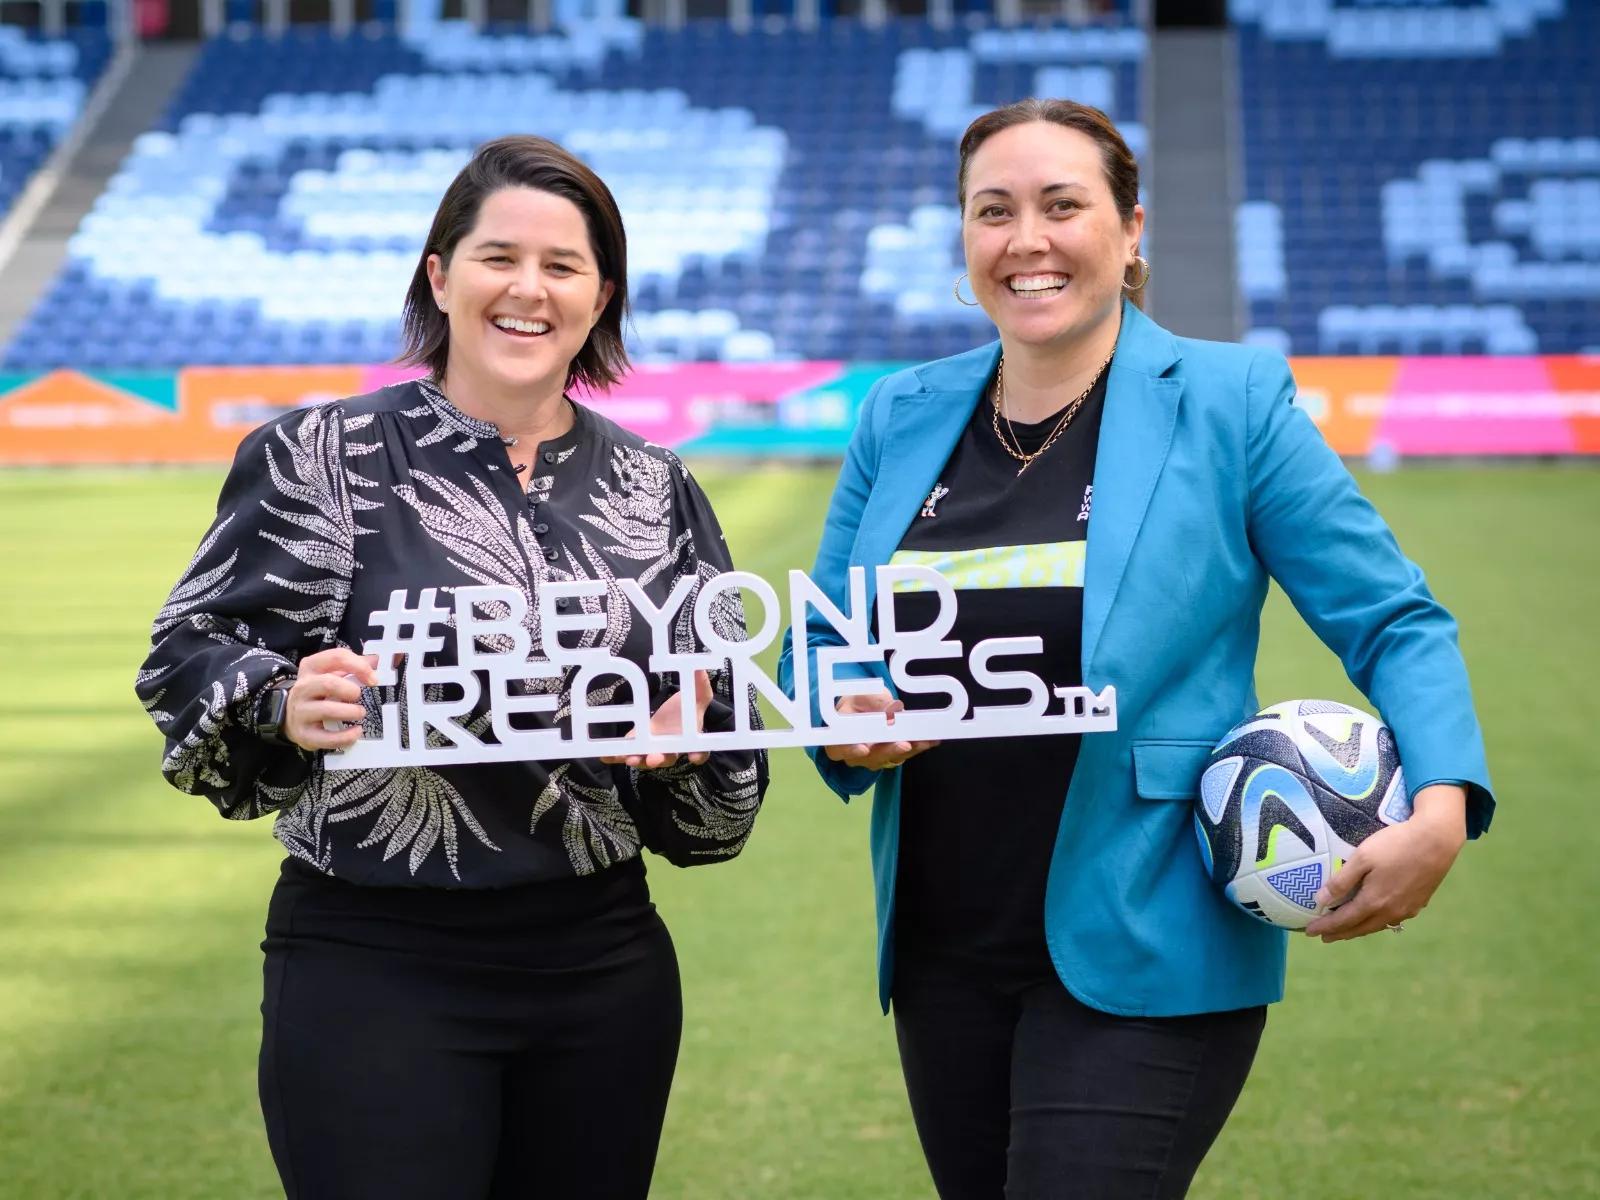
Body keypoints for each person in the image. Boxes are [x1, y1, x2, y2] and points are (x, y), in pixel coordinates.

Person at [778, 99, 1493, 1199]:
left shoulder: (1230, 402)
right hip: (940, 948)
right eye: (992, 211)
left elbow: (1391, 615)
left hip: (1148, 938)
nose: (1027, 240)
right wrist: (849, 710)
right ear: (963, 239)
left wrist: (1441, 804)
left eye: (1062, 206)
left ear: (1129, 228)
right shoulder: (898, 416)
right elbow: (822, 642)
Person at [136, 135, 768, 1200]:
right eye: (497, 258)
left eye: (563, 266)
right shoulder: (318, 458)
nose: (528, 289)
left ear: (600, 294)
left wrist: (680, 760)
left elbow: (721, 802)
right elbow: (183, 657)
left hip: (602, 968)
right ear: (440, 275)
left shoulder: (656, 487)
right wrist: (286, 701)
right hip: (372, 959)